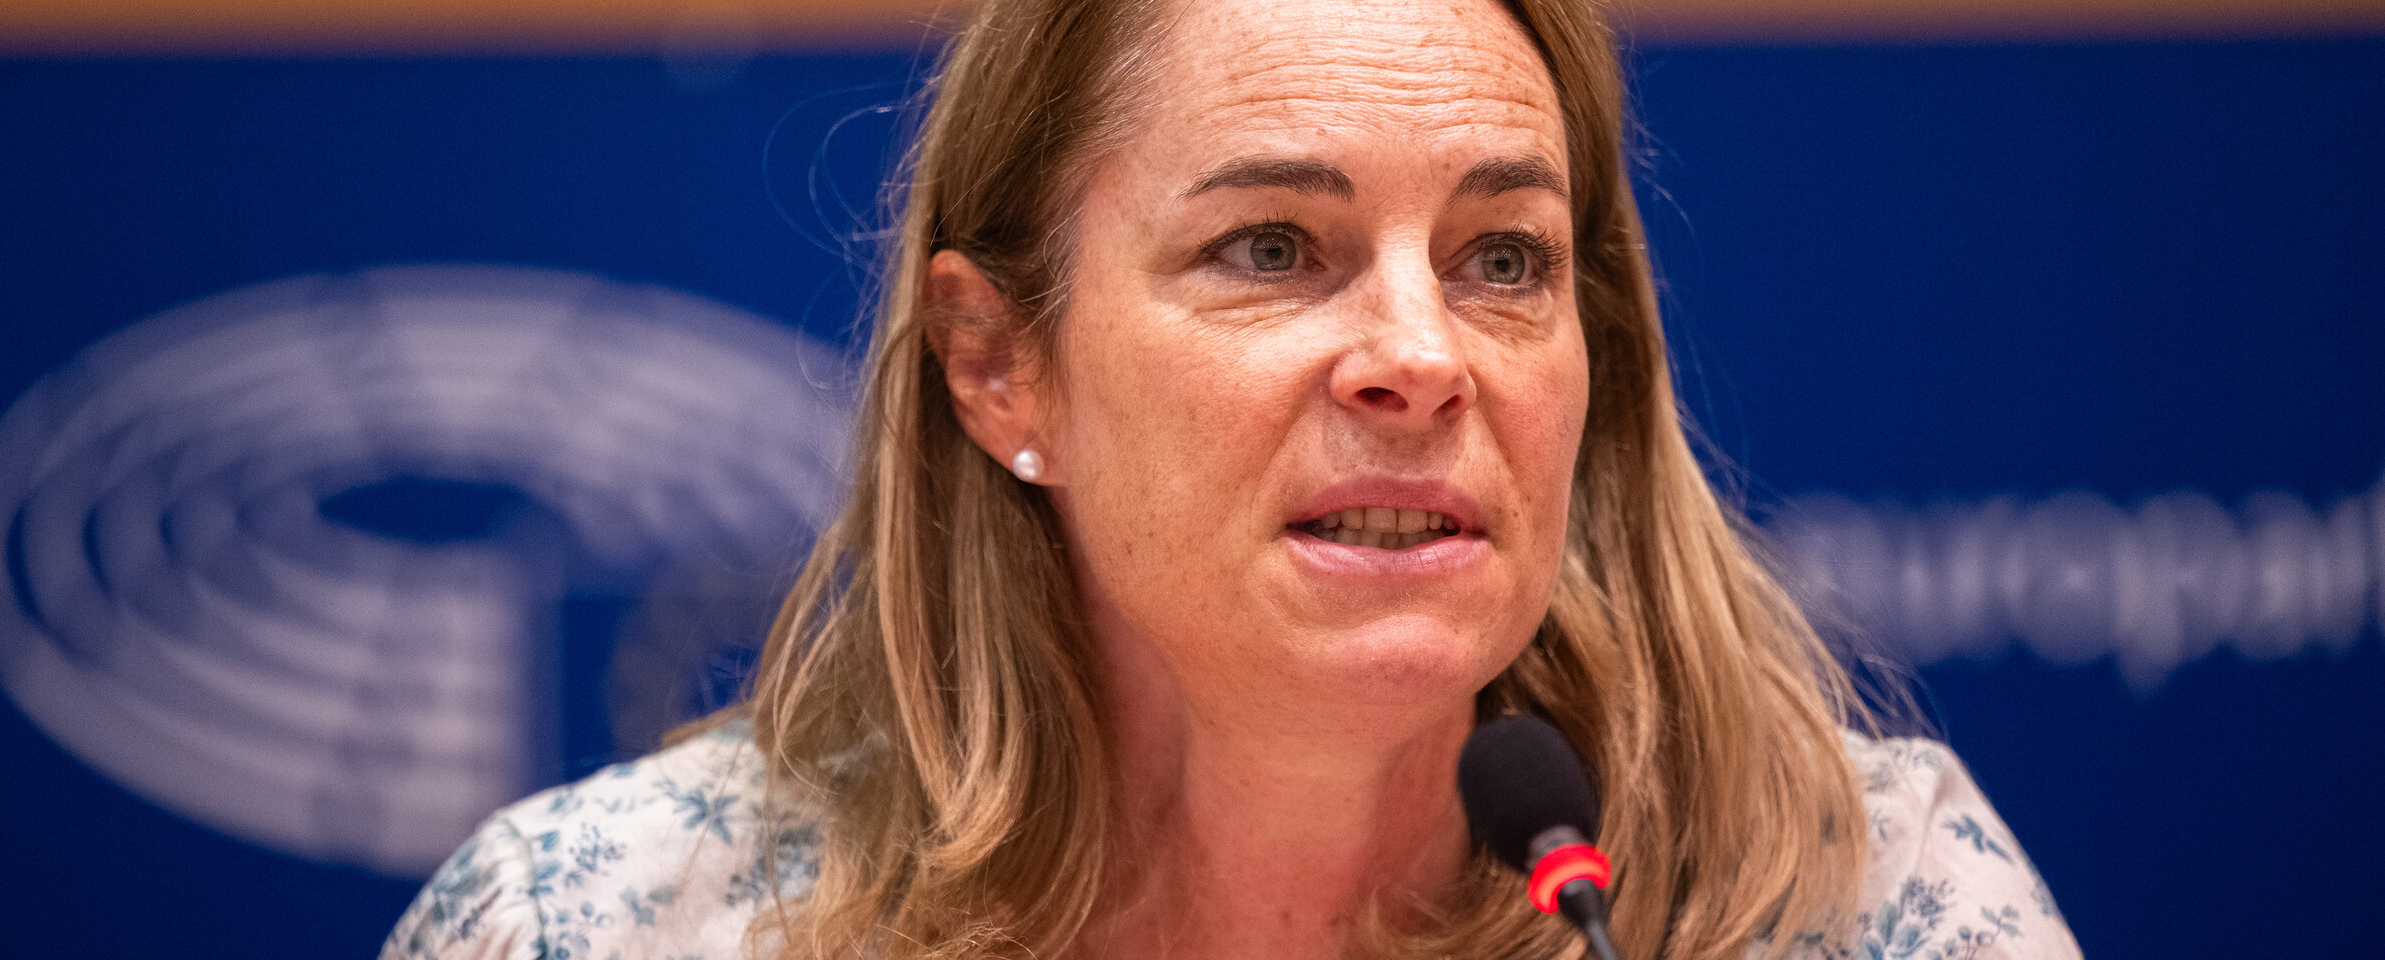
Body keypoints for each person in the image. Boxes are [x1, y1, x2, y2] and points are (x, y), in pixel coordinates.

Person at [383, 0, 2082, 958]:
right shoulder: (597, 931)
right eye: (1274, 245)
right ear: (996, 366)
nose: (1423, 355)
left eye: (1505, 257)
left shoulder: (1859, 910)